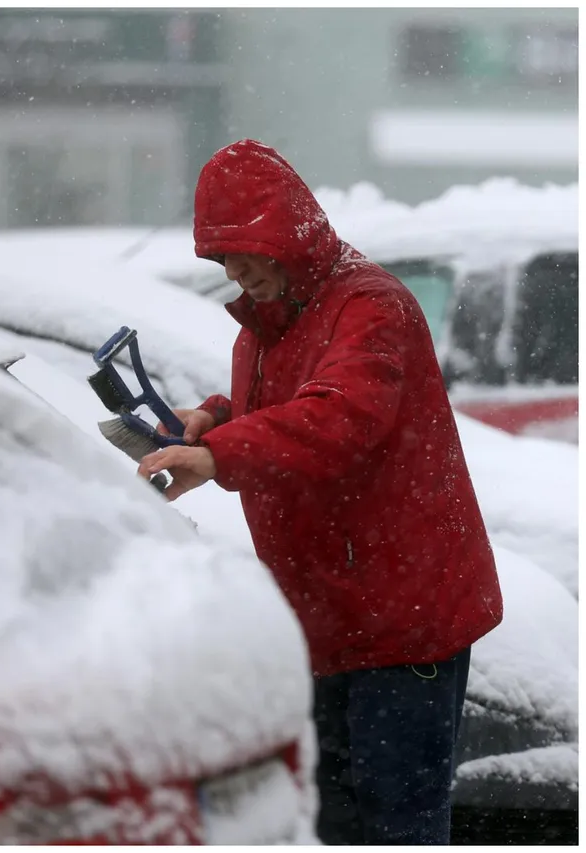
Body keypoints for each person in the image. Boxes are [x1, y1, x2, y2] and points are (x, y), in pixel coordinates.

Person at [137, 139, 503, 845]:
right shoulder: (272, 320)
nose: (234, 271)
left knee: (395, 819)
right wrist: (212, 416)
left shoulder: (372, 306)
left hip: (402, 622)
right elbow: (287, 400)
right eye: (220, 258)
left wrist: (216, 455)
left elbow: (339, 417)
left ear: (287, 234)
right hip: (327, 618)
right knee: (331, 821)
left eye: (245, 251)